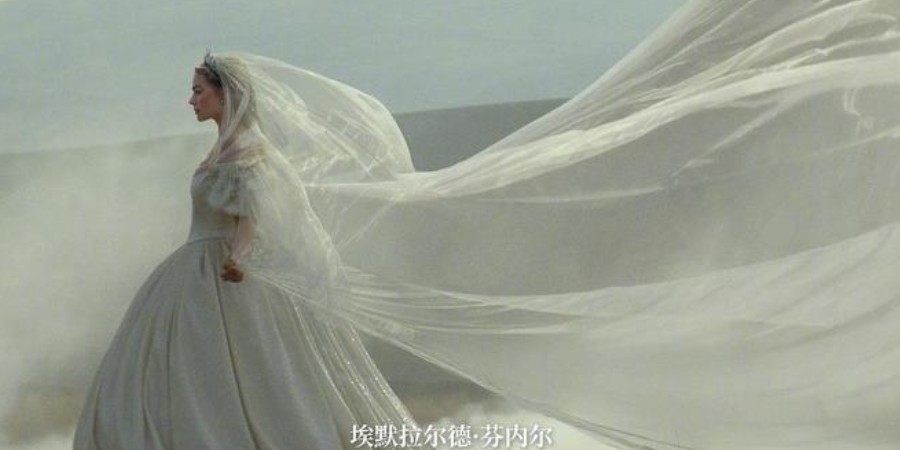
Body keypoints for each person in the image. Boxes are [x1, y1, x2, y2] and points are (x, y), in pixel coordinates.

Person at [73, 53, 421, 450]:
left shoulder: (251, 153)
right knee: (160, 364)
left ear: (225, 95)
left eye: (198, 91)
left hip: (225, 271)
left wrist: (237, 257)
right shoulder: (219, 150)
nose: (191, 101)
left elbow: (250, 216)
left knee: (246, 368)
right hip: (192, 269)